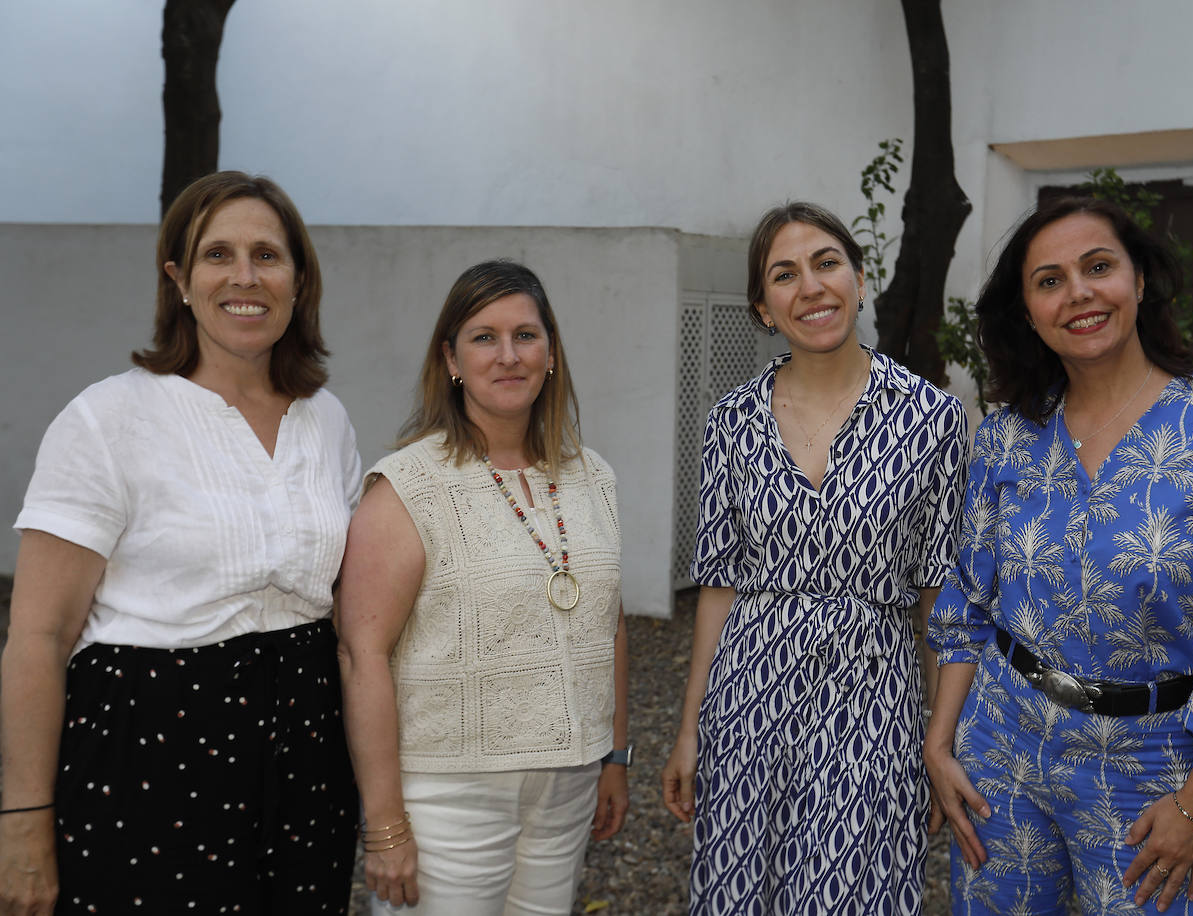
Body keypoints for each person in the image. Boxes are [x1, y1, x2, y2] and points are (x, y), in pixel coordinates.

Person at [925, 196, 1193, 914]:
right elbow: (968, 600)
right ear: (1029, 312)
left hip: (1152, 766)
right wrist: (941, 747)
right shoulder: (1009, 433)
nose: (1078, 293)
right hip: (1001, 748)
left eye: (1097, 266)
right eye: (1048, 280)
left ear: (1138, 279)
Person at [0, 171, 362, 914]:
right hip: (148, 756)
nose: (245, 277)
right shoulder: (107, 419)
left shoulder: (326, 422)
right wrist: (23, 818)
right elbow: (37, 636)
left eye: (267, 255)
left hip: (307, 761)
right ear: (178, 278)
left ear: (299, 278)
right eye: (217, 255)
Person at [661, 202, 967, 914]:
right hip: (747, 700)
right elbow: (719, 584)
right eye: (784, 274)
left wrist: (940, 740)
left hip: (872, 701)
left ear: (860, 279)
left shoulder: (932, 421)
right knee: (741, 894)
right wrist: (688, 729)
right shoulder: (731, 422)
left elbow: (938, 599)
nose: (811, 287)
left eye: (826, 263)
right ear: (764, 309)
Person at [337, 259, 629, 915]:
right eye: (484, 337)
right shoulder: (408, 487)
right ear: (451, 358)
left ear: (551, 352)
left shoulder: (593, 478)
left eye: (526, 335)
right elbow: (362, 654)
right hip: (449, 792)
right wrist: (384, 825)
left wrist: (616, 755)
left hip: (570, 786)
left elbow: (607, 624)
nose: (508, 355)